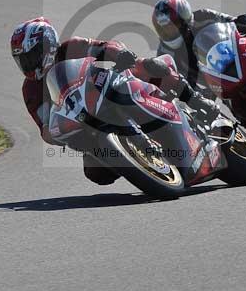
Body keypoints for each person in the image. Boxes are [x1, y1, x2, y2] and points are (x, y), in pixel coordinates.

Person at [11, 17, 218, 185]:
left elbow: (104, 47)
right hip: (83, 124)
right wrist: (58, 134)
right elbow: (45, 128)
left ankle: (195, 100)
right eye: (23, 60)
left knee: (146, 66)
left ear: (48, 45)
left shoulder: (70, 47)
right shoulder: (30, 90)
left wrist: (121, 54)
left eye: (31, 56)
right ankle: (139, 162)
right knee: (97, 174)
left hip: (105, 89)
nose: (29, 64)